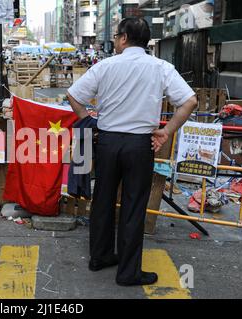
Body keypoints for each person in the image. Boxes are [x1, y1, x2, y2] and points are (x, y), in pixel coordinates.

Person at [66, 18, 197, 286]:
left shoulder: (105, 66)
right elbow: (190, 101)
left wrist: (89, 122)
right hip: (140, 144)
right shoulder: (161, 67)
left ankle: (99, 256)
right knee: (134, 205)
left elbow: (74, 95)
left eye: (116, 36)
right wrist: (167, 130)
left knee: (102, 199)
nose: (115, 40)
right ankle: (128, 272)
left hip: (107, 142)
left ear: (124, 38)